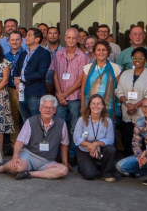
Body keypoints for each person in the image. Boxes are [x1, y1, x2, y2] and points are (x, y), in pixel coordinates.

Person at [0, 95, 70, 180]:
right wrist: (15, 157)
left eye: (51, 108)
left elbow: (64, 144)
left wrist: (65, 162)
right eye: (45, 107)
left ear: (54, 110)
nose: (47, 110)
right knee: (17, 167)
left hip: (48, 161)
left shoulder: (61, 124)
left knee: (63, 170)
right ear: (40, 108)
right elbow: (20, 141)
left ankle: (29, 174)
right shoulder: (30, 121)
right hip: (29, 156)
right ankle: (0, 168)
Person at [115, 47, 147, 157]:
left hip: (143, 116)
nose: (137, 60)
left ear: (146, 60)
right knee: (127, 142)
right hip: (127, 116)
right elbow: (118, 90)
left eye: (141, 58)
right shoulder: (126, 73)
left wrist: (135, 106)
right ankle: (129, 167)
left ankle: (142, 167)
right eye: (135, 57)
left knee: (142, 145)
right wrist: (127, 104)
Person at [50, 27, 87, 157]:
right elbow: (55, 75)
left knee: (74, 128)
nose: (71, 40)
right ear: (65, 38)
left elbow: (80, 80)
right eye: (69, 37)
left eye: (74, 38)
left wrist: (64, 95)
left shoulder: (82, 56)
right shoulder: (58, 54)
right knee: (59, 127)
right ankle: (59, 154)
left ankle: (72, 155)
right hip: (60, 98)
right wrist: (60, 95)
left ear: (78, 40)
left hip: (75, 98)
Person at [74, 95, 117, 181]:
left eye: (99, 104)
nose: (96, 106)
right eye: (93, 103)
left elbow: (110, 139)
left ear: (103, 106)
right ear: (89, 105)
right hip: (85, 150)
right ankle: (87, 166)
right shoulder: (82, 119)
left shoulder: (108, 121)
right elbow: (76, 139)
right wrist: (91, 145)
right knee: (89, 175)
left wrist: (96, 144)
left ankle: (106, 173)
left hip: (100, 149)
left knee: (111, 149)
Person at [13, 29, 51, 120]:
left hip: (35, 93)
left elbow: (41, 73)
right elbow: (16, 69)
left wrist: (22, 78)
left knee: (36, 120)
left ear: (37, 39)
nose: (26, 37)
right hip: (22, 92)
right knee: (25, 120)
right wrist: (16, 80)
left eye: (29, 35)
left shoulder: (44, 53)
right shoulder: (24, 53)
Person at [81, 41, 122, 122]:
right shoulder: (87, 68)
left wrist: (118, 106)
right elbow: (83, 89)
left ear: (108, 52)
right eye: (98, 50)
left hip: (109, 106)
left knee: (108, 130)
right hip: (91, 106)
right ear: (94, 52)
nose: (101, 52)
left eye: (104, 50)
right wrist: (82, 107)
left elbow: (118, 89)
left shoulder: (116, 68)